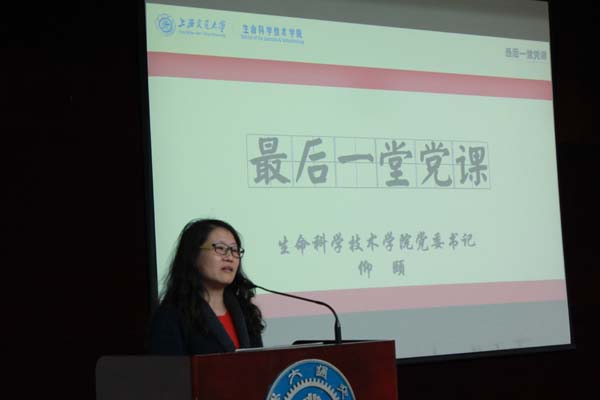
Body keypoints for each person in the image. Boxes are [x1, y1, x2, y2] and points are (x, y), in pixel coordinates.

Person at [147, 218, 265, 355]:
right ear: (193, 255)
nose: (230, 257)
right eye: (220, 248)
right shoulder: (171, 316)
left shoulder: (246, 312)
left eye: (234, 250)